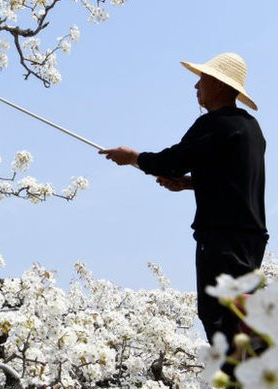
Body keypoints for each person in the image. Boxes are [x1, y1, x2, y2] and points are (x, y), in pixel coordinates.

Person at [98, 52, 267, 353]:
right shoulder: (251, 129)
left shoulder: (214, 124)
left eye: (202, 79)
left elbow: (172, 161)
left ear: (218, 84)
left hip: (220, 237)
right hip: (251, 237)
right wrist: (190, 184)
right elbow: (233, 179)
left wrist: (133, 158)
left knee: (218, 317)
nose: (196, 86)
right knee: (244, 308)